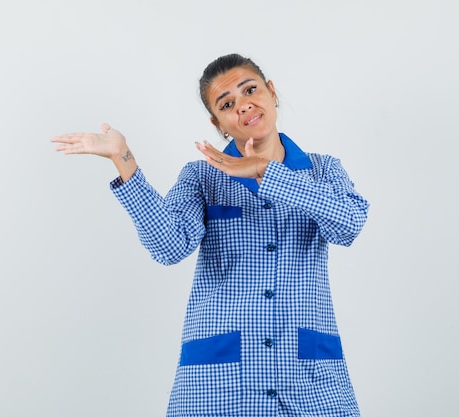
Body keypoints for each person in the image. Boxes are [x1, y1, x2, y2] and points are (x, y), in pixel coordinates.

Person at [52, 53, 369, 417]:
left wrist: (267, 172)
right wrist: (123, 158)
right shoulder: (202, 177)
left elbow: (349, 224)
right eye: (227, 103)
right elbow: (169, 246)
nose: (243, 105)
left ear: (271, 92)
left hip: (310, 383)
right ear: (218, 123)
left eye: (250, 89)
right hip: (219, 386)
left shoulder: (323, 170)